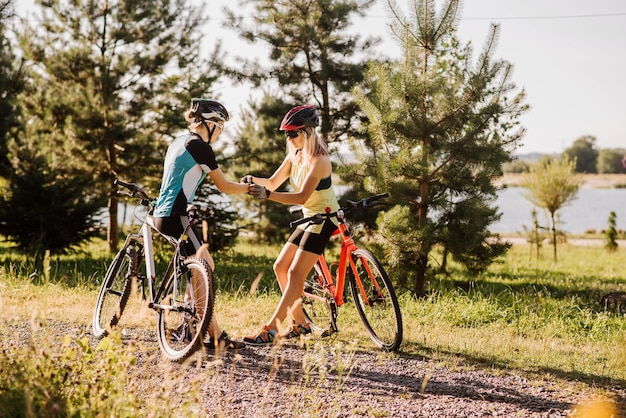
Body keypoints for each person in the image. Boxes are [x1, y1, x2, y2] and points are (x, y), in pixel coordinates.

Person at [152, 98, 249, 350]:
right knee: (204, 265)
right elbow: (225, 186)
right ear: (209, 124)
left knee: (197, 268)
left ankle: (190, 325)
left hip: (162, 215)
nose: (220, 132)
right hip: (177, 217)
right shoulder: (200, 147)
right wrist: (251, 188)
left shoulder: (178, 142)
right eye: (220, 126)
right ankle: (214, 336)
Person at [241, 105, 340, 345]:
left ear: (307, 132)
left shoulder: (320, 160)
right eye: (287, 134)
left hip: (324, 218)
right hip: (309, 218)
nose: (290, 138)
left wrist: (267, 195)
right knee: (280, 267)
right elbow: (274, 182)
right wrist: (253, 180)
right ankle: (301, 324)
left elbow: (300, 197)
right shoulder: (294, 155)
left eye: (293, 133)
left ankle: (272, 328)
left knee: (296, 273)